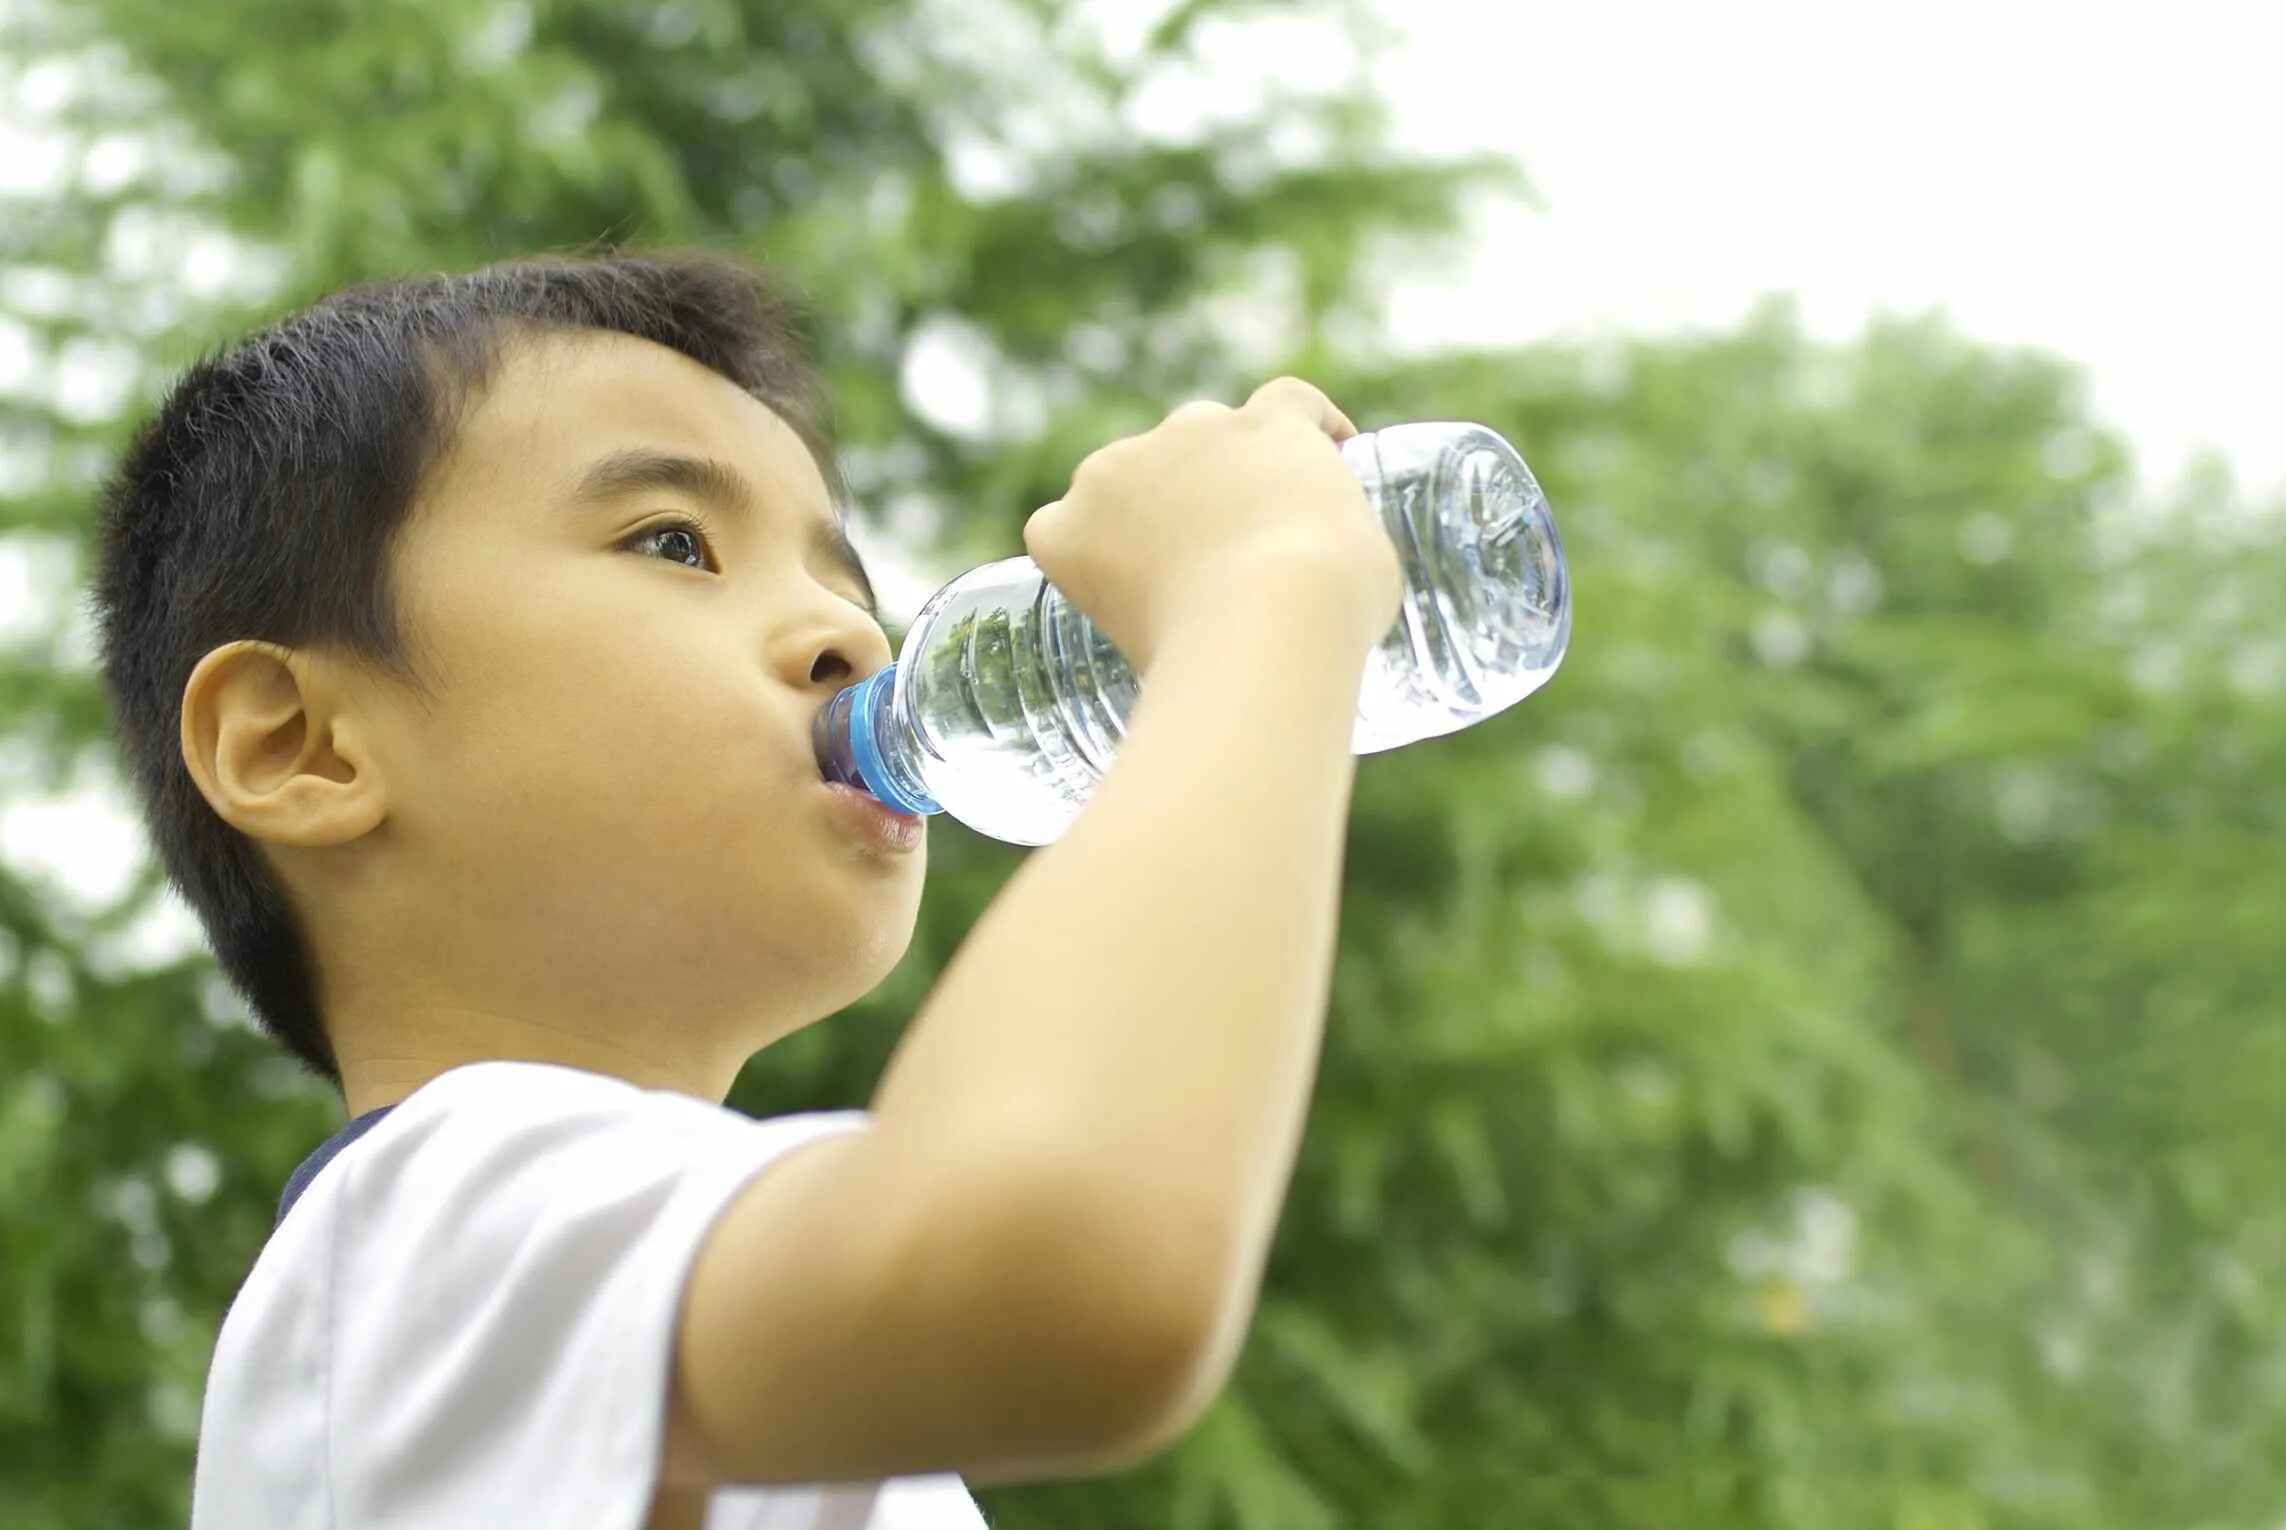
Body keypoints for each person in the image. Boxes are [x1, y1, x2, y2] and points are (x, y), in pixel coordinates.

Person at [87, 247, 1402, 1530]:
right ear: (300, 743)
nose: (853, 638)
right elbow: (1064, 1251)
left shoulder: (664, 1303)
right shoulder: (427, 1237)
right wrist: (1259, 594)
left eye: (846, 580)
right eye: (675, 542)